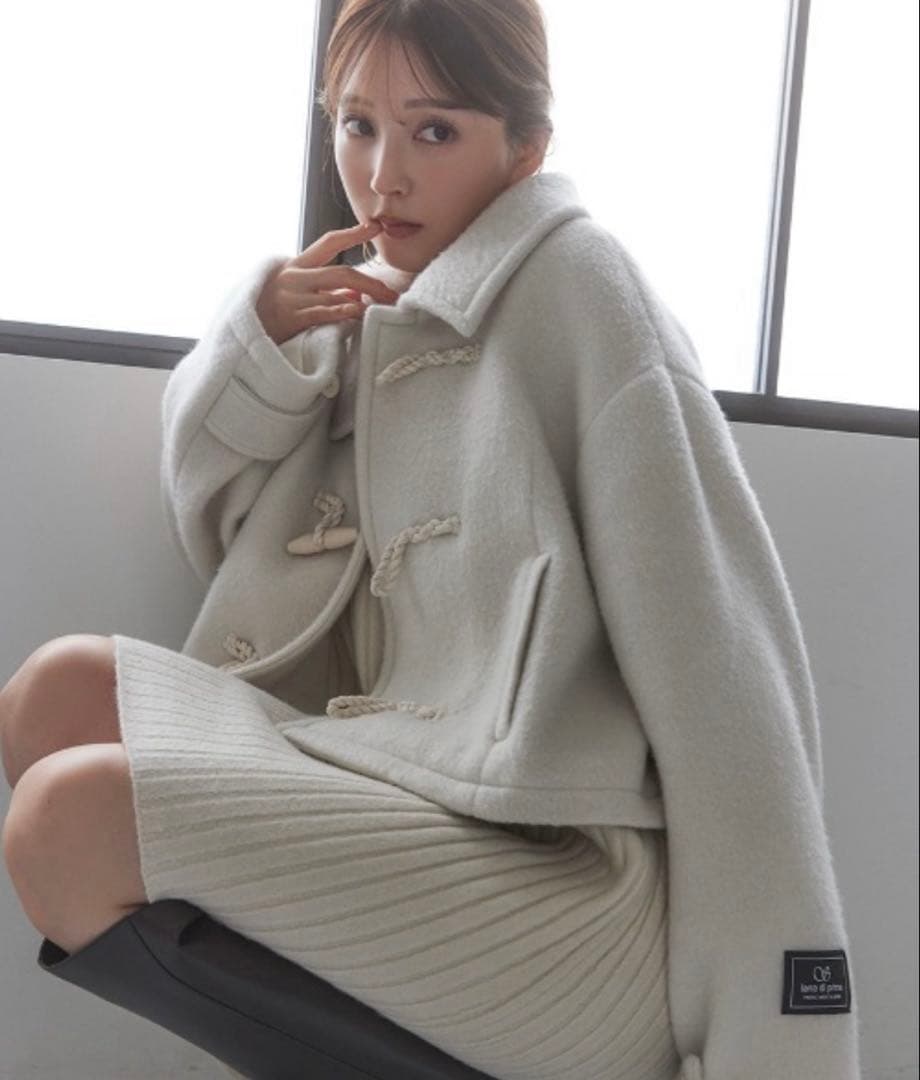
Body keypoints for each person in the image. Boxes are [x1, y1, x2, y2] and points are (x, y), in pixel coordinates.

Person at [2, 1, 860, 1078]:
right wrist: (260, 341)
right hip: (395, 792)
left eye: (435, 130)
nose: (383, 177)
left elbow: (729, 683)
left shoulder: (585, 295)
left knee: (68, 824)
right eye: (357, 125)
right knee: (54, 695)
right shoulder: (376, 314)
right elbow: (220, 535)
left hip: (569, 897)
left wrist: (779, 1035)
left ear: (525, 147)